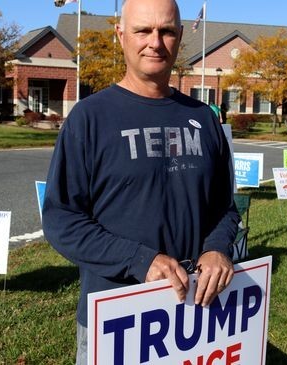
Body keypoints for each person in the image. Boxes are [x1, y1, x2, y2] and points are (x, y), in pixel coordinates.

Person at [41, 0, 240, 363]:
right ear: (121, 35)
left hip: (196, 314)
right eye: (142, 30)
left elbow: (225, 207)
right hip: (117, 314)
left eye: (166, 31)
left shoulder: (204, 118)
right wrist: (139, 260)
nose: (155, 42)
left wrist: (218, 248)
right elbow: (61, 220)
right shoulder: (90, 118)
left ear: (180, 36)